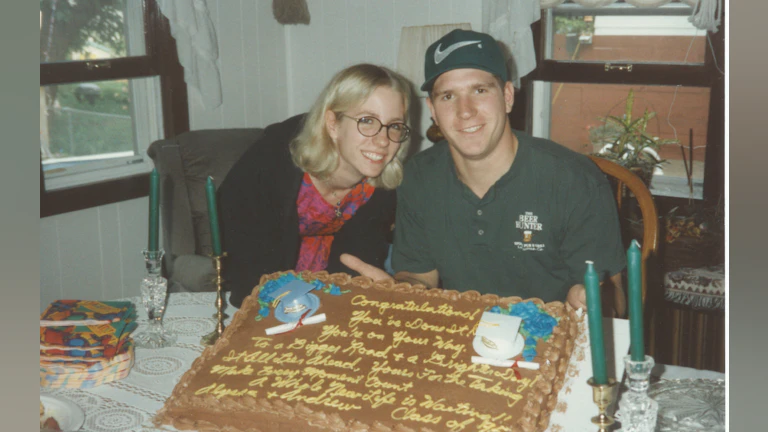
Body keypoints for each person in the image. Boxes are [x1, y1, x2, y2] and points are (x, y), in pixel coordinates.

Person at [342, 30, 627, 315]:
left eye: (480, 90)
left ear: (507, 96)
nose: (465, 111)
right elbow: (419, 278)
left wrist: (593, 300)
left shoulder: (574, 179)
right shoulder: (418, 176)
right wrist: (398, 291)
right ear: (432, 110)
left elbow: (615, 300)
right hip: (458, 337)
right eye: (448, 96)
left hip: (551, 343)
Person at [219, 64, 414, 308]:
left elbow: (358, 265)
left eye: (394, 125)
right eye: (367, 120)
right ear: (332, 123)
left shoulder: (382, 188)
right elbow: (248, 273)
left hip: (327, 297)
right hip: (263, 293)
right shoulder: (272, 163)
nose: (383, 140)